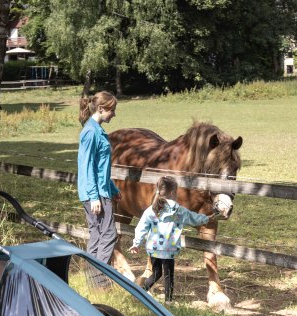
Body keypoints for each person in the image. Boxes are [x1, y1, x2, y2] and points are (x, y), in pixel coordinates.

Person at [129, 176, 210, 303]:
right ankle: (169, 301)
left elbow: (141, 227)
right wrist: (208, 218)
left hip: (154, 248)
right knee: (168, 275)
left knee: (156, 273)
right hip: (169, 249)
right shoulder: (179, 211)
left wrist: (136, 243)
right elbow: (194, 218)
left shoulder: (152, 210)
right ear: (173, 192)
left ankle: (140, 293)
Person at [77, 91, 121, 267]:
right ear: (101, 109)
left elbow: (100, 167)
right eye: (112, 110)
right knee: (109, 234)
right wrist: (94, 197)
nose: (114, 114)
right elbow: (86, 167)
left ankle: (92, 276)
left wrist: (112, 188)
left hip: (100, 190)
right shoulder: (90, 132)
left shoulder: (96, 130)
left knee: (96, 233)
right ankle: (99, 278)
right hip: (95, 193)